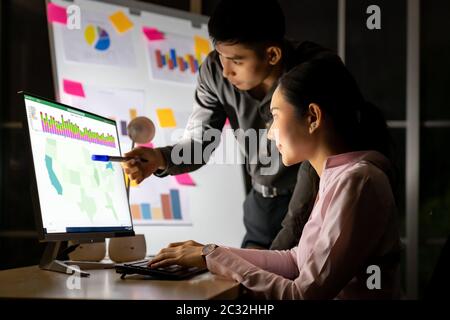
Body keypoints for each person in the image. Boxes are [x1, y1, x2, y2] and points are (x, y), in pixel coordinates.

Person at [146, 55, 402, 299]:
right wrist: (212, 252)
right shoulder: (338, 176)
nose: (269, 134)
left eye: (276, 116)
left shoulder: (357, 181)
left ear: (312, 117)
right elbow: (295, 260)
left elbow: (302, 294)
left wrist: (210, 256)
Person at [121, 0, 328, 249]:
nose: (226, 71)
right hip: (261, 204)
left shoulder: (316, 71)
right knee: (245, 283)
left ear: (272, 55)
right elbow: (200, 142)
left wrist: (275, 253)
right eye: (221, 56)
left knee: (291, 279)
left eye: (237, 61)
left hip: (314, 200)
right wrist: (159, 158)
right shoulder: (215, 70)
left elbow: (319, 161)